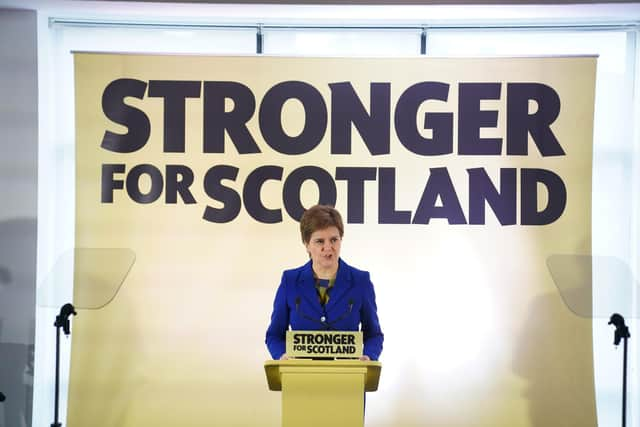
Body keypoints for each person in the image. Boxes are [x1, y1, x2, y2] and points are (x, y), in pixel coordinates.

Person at [265, 204, 383, 361]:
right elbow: (274, 335)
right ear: (307, 245)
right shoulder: (290, 281)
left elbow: (374, 335)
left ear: (341, 239)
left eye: (334, 240)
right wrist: (282, 356)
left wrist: (368, 356)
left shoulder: (360, 281)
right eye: (320, 241)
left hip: (346, 378)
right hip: (301, 378)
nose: (328, 248)